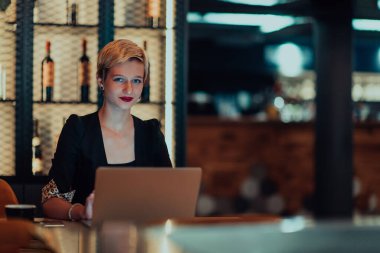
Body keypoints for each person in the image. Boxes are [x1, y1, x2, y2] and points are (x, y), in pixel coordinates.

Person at [41, 39, 172, 221]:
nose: (129, 89)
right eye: (119, 79)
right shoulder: (78, 129)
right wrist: (81, 212)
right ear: (101, 80)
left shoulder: (151, 133)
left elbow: (171, 196)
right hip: (88, 242)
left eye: (137, 81)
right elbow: (50, 199)